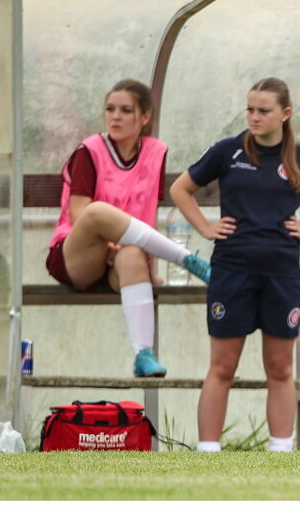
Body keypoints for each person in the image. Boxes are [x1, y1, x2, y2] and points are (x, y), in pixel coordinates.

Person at [170, 77, 300, 453]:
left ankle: (280, 452)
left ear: (284, 114)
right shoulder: (227, 151)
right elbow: (179, 189)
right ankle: (207, 452)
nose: (254, 117)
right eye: (250, 109)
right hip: (231, 271)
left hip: (282, 273)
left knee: (281, 368)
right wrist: (205, 227)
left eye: (263, 111)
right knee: (222, 366)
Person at [46, 79, 212, 378]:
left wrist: (143, 263)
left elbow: (145, 212)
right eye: (110, 109)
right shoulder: (90, 150)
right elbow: (80, 214)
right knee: (97, 212)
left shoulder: (155, 152)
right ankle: (187, 259)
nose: (115, 117)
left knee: (134, 253)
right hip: (76, 255)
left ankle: (143, 354)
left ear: (144, 117)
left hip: (118, 259)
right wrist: (109, 247)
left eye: (125, 110)